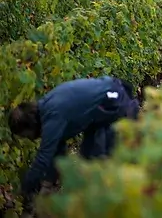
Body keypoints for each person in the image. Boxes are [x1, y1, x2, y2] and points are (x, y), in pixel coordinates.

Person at [8, 76, 140, 208]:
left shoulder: (53, 116)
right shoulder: (47, 107)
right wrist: (48, 183)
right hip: (102, 110)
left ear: (30, 125)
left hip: (116, 102)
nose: (30, 139)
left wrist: (25, 190)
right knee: (88, 162)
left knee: (105, 165)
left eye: (26, 135)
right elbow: (57, 151)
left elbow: (44, 157)